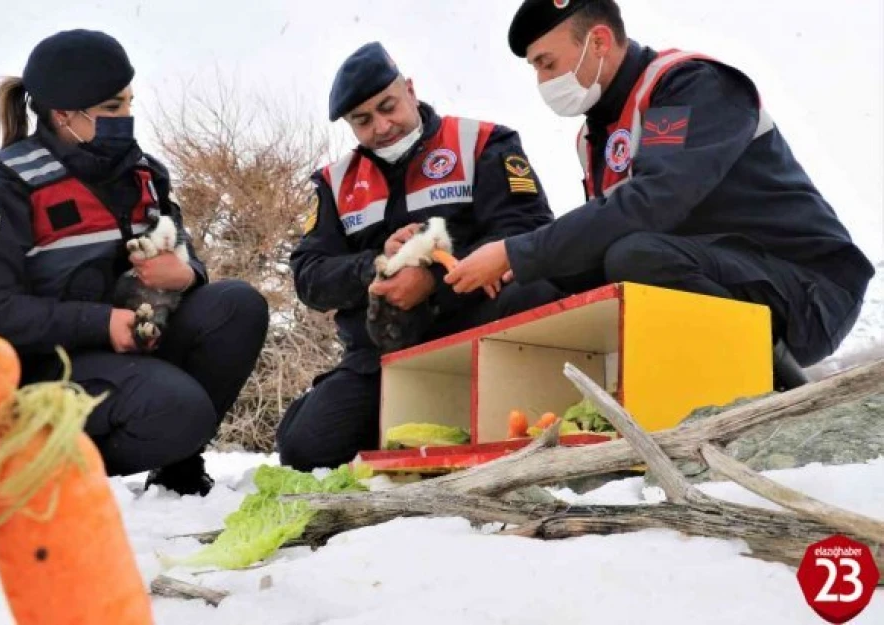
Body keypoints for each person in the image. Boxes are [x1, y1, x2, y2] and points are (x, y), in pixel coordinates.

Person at [446, 0, 874, 389]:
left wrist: (519, 250)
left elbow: (656, 200)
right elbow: (602, 230)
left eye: (547, 63)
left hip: (809, 286)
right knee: (533, 284)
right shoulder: (595, 137)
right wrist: (515, 267)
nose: (542, 81)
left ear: (598, 41)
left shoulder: (691, 84)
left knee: (634, 257)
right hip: (717, 268)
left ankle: (778, 393)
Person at [0, 29, 269, 496]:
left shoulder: (144, 174)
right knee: (178, 410)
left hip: (133, 345)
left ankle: (178, 465)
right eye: (112, 109)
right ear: (62, 114)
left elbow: (182, 244)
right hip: (46, 368)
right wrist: (99, 324)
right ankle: (37, 471)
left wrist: (187, 272)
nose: (127, 118)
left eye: (129, 104)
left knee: (236, 304)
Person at [276, 41, 562, 471]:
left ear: (409, 89)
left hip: (472, 321)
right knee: (303, 451)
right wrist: (375, 265)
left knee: (540, 288)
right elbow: (309, 277)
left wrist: (430, 280)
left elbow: (527, 229)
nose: (382, 126)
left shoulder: (482, 143)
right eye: (363, 120)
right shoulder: (335, 183)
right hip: (380, 353)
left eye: (388, 106)